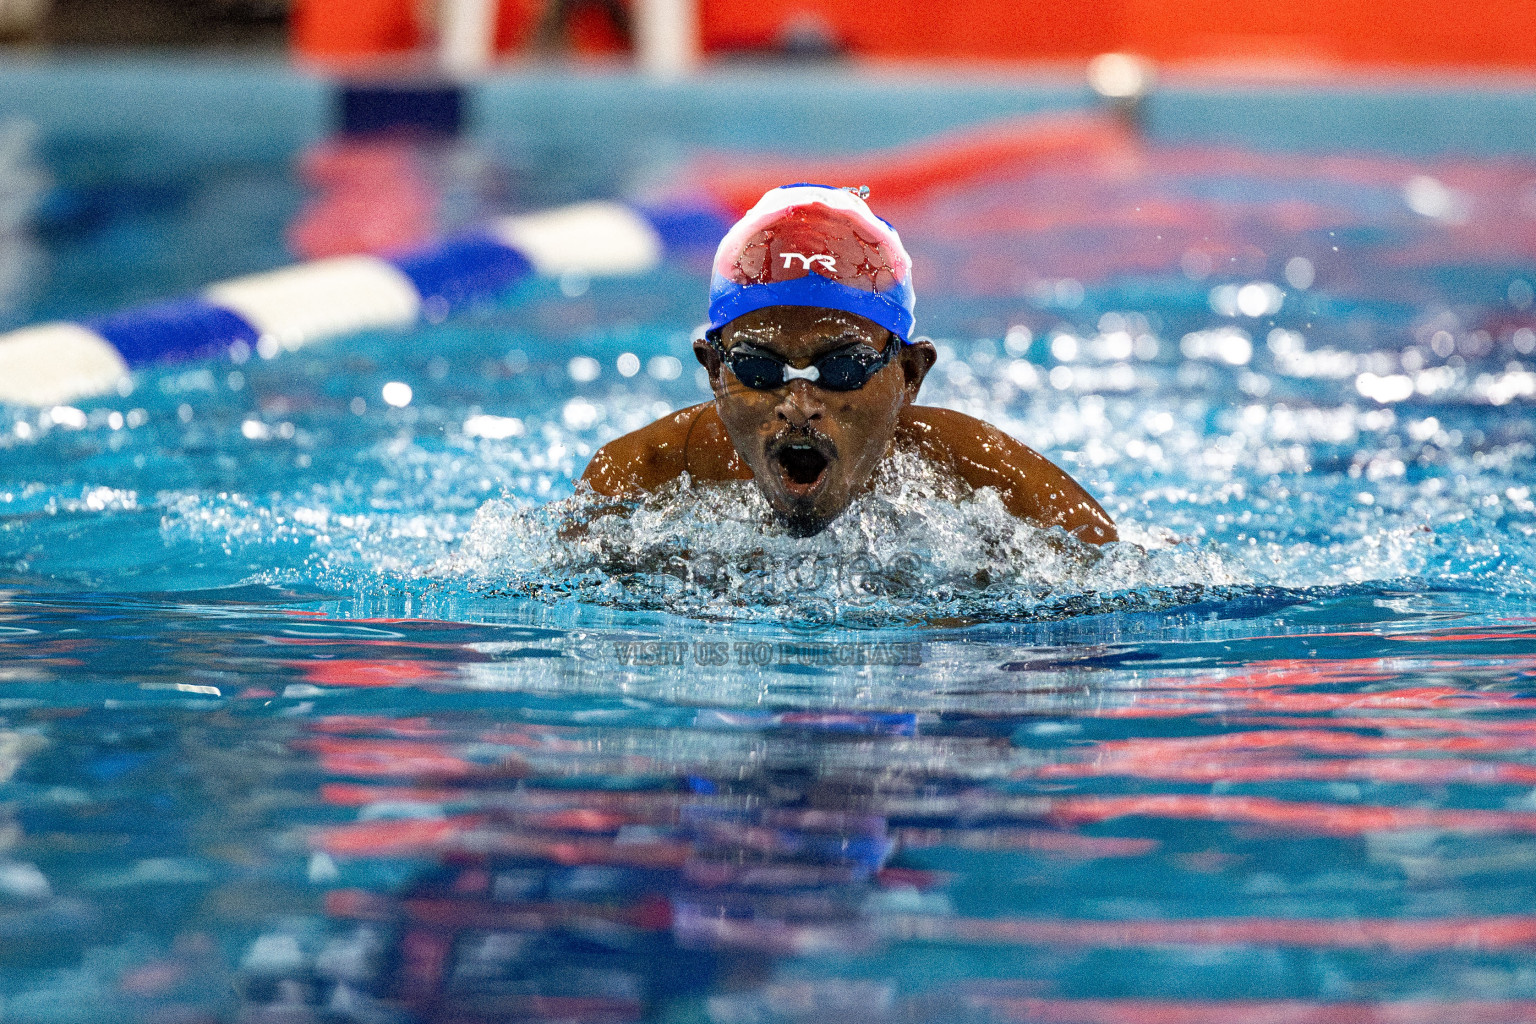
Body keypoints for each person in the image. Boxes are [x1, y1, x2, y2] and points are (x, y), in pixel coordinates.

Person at [580, 184, 1116, 544]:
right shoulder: (640, 483)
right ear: (714, 371)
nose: (798, 406)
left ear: (909, 376)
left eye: (842, 368)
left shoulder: (994, 489)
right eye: (759, 369)